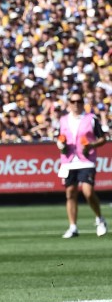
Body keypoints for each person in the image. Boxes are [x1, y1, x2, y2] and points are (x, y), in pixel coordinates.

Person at [55, 93, 109, 238]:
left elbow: (103, 138)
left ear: (82, 102)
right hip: (68, 161)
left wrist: (91, 144)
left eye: (79, 101)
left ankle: (100, 219)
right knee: (70, 193)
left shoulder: (91, 119)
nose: (76, 104)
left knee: (88, 192)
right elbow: (58, 138)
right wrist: (61, 144)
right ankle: (73, 226)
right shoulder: (63, 120)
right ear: (69, 103)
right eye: (73, 101)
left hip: (86, 159)